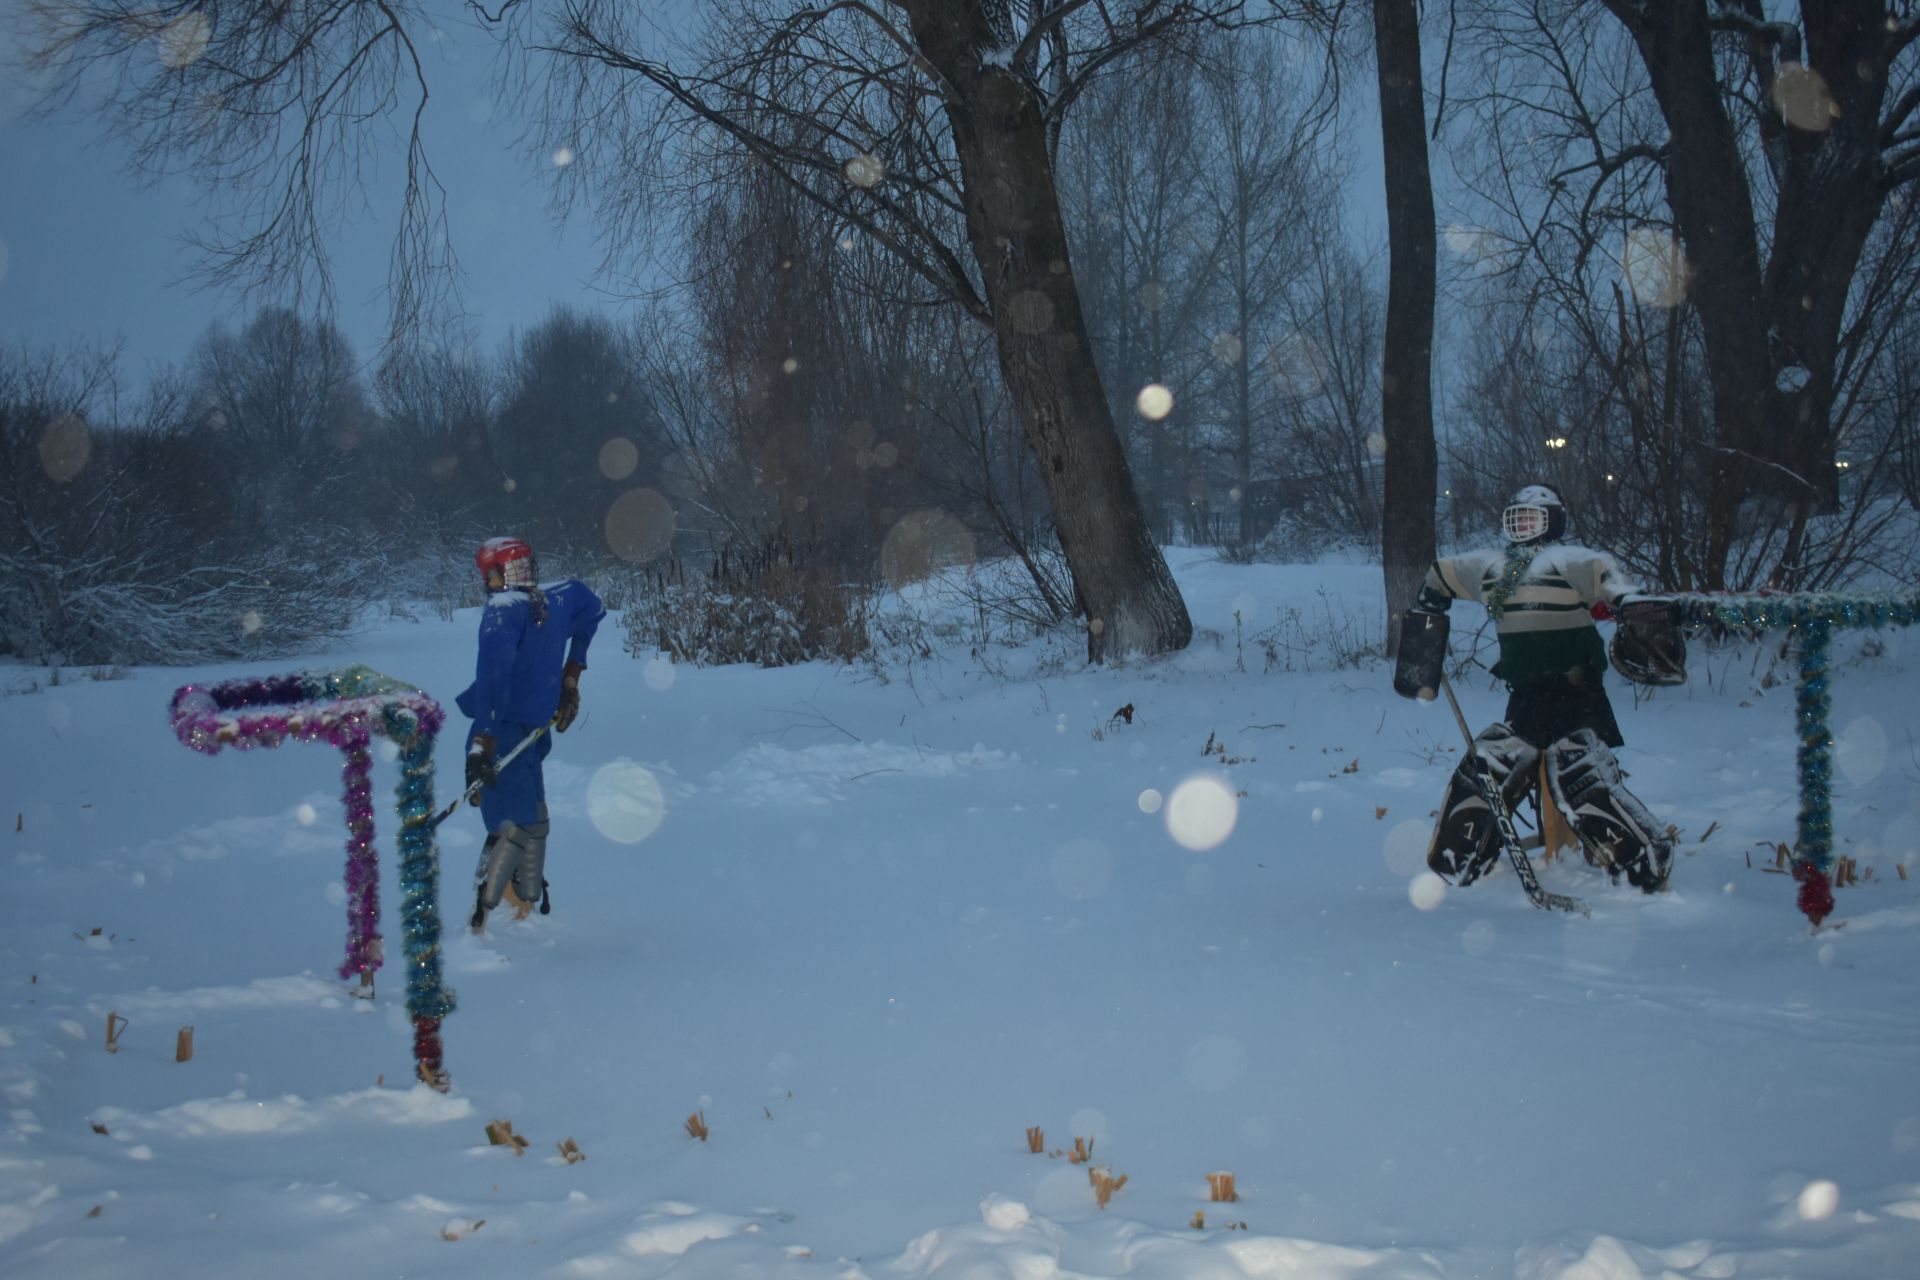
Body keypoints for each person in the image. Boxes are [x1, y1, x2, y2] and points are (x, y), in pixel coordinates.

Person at [1393, 484, 1683, 893]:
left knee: (1580, 774)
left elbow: (1609, 579)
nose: (1524, 526)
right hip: (1526, 691)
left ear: (1553, 521)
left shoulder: (1570, 560)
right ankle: (1464, 853)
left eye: (1533, 518)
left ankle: (1638, 857)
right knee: (1492, 768)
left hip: (1577, 689)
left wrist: (1631, 604)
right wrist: (1429, 609)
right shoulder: (1491, 568)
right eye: (1519, 517)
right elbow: (1442, 572)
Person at [458, 536, 606, 930]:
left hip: (529, 730)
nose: (495, 584)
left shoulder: (552, 601)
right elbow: (491, 683)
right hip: (503, 730)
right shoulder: (507, 614)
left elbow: (592, 612)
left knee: (534, 820)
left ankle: (523, 905)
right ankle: (488, 914)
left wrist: (570, 678)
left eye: (500, 573)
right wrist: (482, 745)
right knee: (515, 822)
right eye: (492, 575)